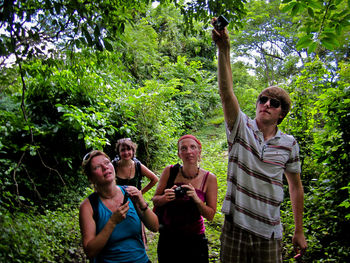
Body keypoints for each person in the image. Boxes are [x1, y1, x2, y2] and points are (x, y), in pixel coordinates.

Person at [211, 18, 307, 262]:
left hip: (270, 232)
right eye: (262, 99)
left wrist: (298, 230)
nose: (266, 105)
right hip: (236, 228)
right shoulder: (240, 128)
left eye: (274, 104)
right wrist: (224, 50)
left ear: (281, 113)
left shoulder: (289, 144)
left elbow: (295, 187)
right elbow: (226, 92)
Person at [79, 150, 159, 263]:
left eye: (107, 163)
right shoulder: (88, 207)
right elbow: (90, 252)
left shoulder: (130, 193)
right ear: (91, 178)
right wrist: (112, 222)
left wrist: (142, 204)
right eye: (97, 167)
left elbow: (154, 227)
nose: (105, 167)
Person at [152, 134, 218, 263]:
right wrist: (165, 198)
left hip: (195, 239)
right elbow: (155, 199)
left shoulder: (209, 178)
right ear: (179, 154)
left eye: (192, 147)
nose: (188, 152)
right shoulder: (170, 171)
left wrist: (196, 199)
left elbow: (210, 215)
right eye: (183, 148)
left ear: (199, 151)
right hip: (169, 238)